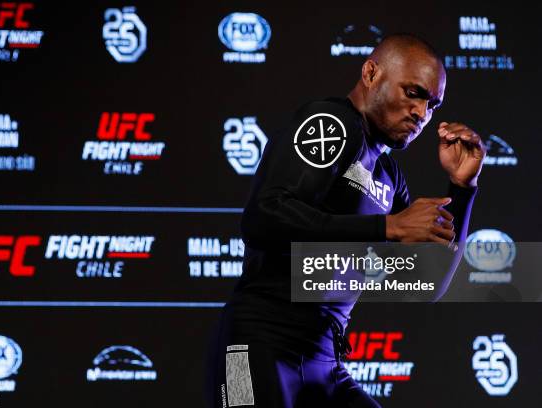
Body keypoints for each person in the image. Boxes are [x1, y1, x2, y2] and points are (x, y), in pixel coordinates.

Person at [207, 33, 485, 408]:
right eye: (413, 93)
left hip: (326, 363)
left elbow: (426, 283)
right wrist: (387, 227)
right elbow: (264, 217)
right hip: (255, 346)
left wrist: (463, 187)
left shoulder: (388, 175)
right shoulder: (333, 122)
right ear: (371, 73)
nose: (422, 113)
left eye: (432, 104)